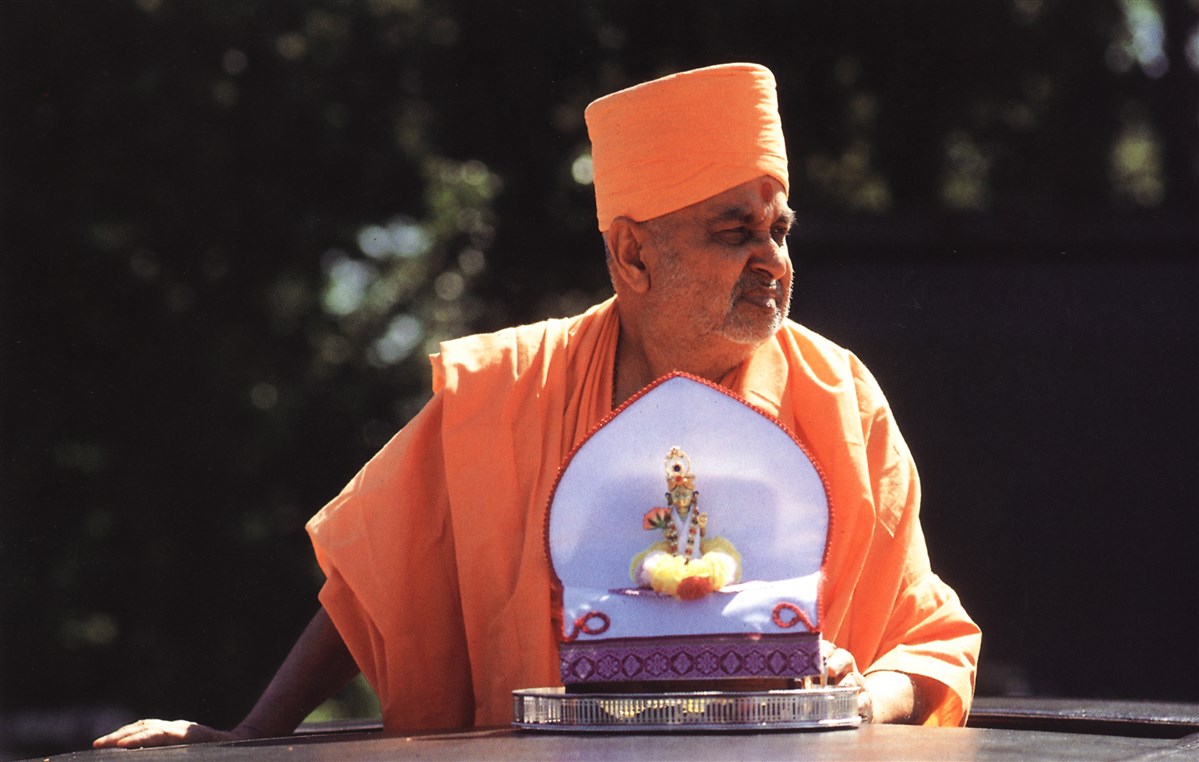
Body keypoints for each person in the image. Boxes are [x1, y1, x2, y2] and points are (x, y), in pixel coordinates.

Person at [94, 62, 980, 749]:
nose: (774, 261)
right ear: (632, 257)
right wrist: (249, 740)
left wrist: (866, 695)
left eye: (778, 229)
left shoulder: (840, 396)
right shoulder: (510, 388)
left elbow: (926, 638)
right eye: (734, 233)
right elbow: (373, 581)